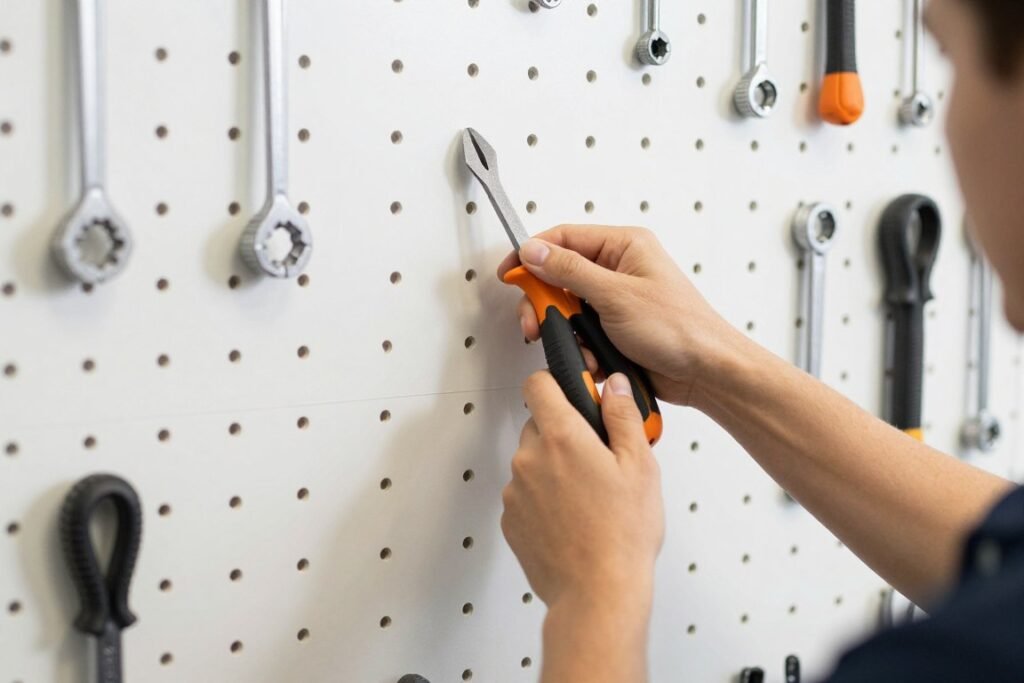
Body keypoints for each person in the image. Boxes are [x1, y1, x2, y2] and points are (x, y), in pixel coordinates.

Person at [496, 1, 1024, 680]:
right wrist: (713, 363)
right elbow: (1001, 552)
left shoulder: (946, 662)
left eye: (950, 57)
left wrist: (594, 589)